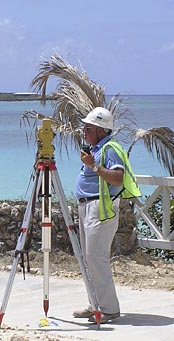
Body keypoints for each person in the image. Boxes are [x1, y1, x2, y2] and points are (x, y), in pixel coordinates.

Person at [73, 107, 141, 324]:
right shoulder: (98, 148)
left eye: (88, 128)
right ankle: (95, 304)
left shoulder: (110, 149)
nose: (84, 131)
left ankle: (109, 308)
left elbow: (117, 178)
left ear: (101, 130)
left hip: (100, 210)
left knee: (96, 257)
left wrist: (92, 165)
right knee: (89, 258)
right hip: (88, 207)